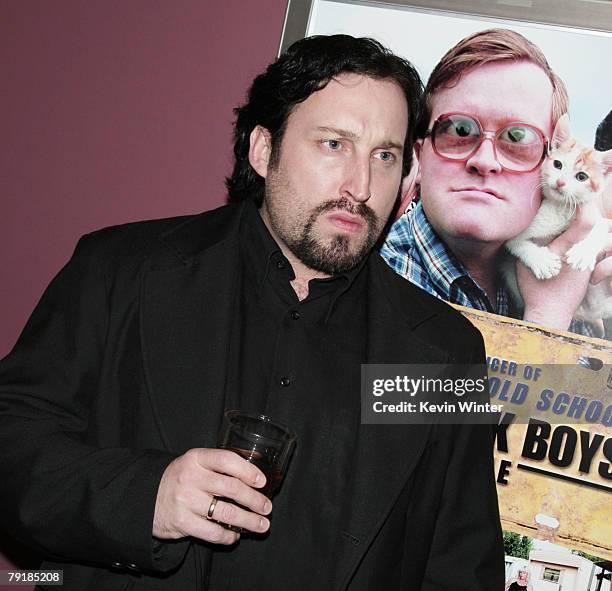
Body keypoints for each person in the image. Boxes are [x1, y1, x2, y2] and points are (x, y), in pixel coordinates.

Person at [0, 35, 503, 590]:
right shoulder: (123, 272)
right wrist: (147, 497)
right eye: (334, 144)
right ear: (263, 150)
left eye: (384, 156)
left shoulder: (442, 351)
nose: (360, 186)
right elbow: (13, 445)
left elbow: (460, 562)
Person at [381, 28, 608, 337]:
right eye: (459, 130)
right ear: (419, 158)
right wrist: (548, 316)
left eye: (518, 137)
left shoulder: (557, 269)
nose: (485, 160)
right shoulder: (368, 289)